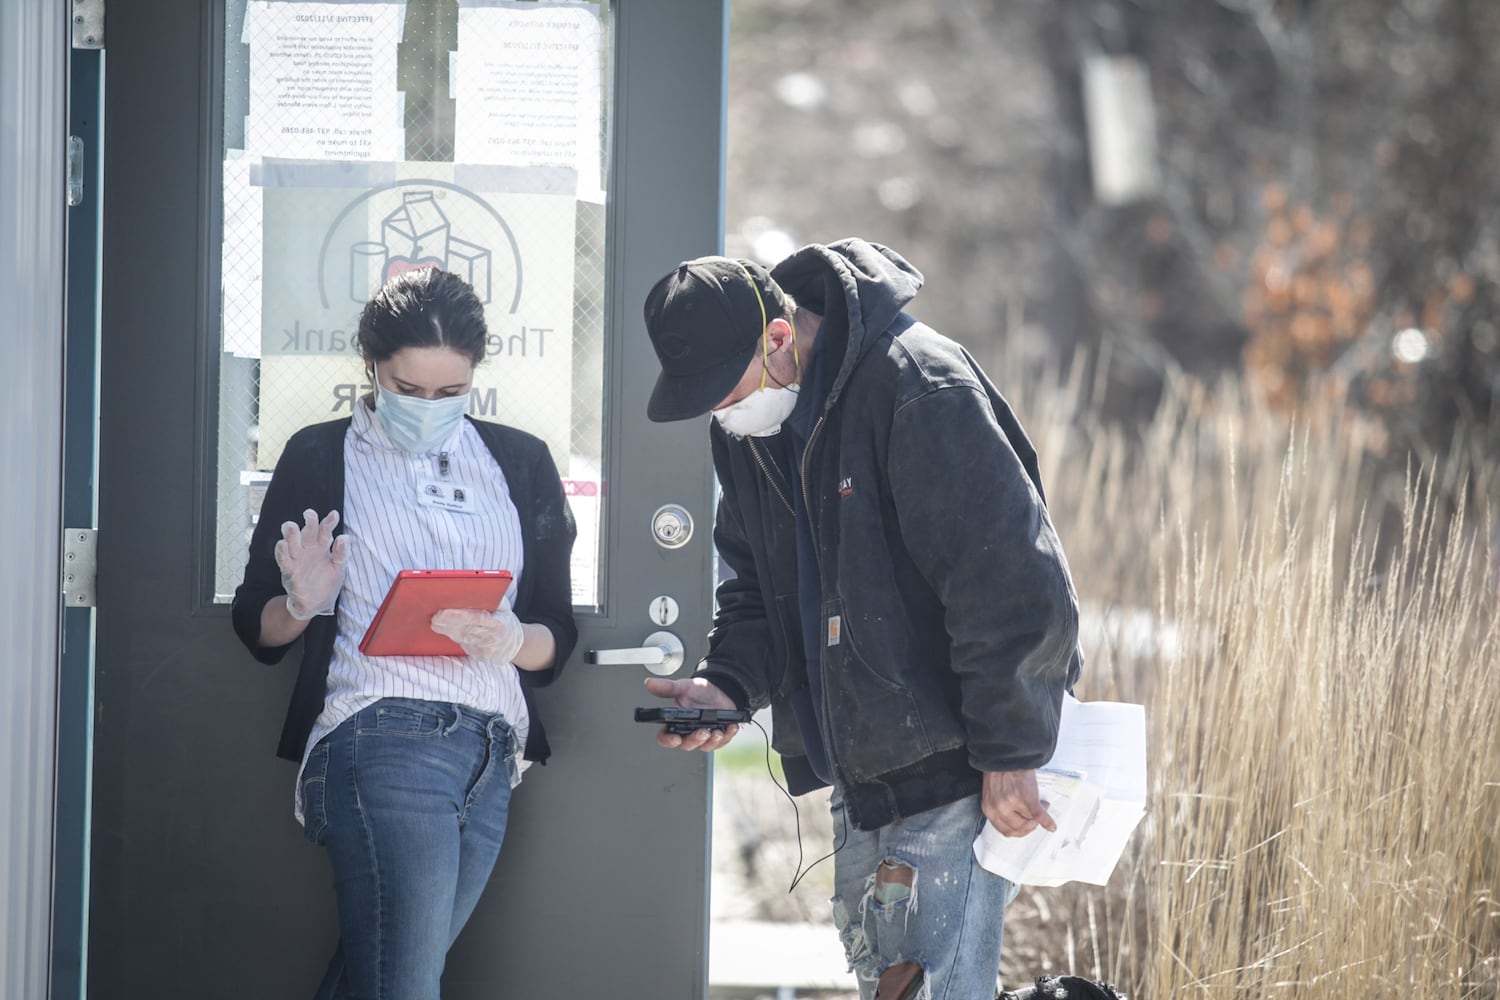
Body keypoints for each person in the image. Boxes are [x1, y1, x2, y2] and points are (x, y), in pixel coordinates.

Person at [640, 239, 1083, 1000]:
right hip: (860, 776)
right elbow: (754, 586)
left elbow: (1011, 578)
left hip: (955, 770)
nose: (722, 410)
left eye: (726, 388)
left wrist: (1012, 749)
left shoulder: (917, 383)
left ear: (779, 337)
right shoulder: (747, 431)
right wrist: (728, 683)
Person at [231, 267, 577, 999]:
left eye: (450, 392)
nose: (428, 406)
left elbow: (555, 635)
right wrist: (303, 602)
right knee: (403, 983)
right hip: (380, 736)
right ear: (371, 367)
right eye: (407, 389)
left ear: (476, 375)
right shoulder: (321, 455)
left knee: (382, 976)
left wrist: (512, 640)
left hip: (493, 751)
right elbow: (259, 630)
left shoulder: (518, 462)